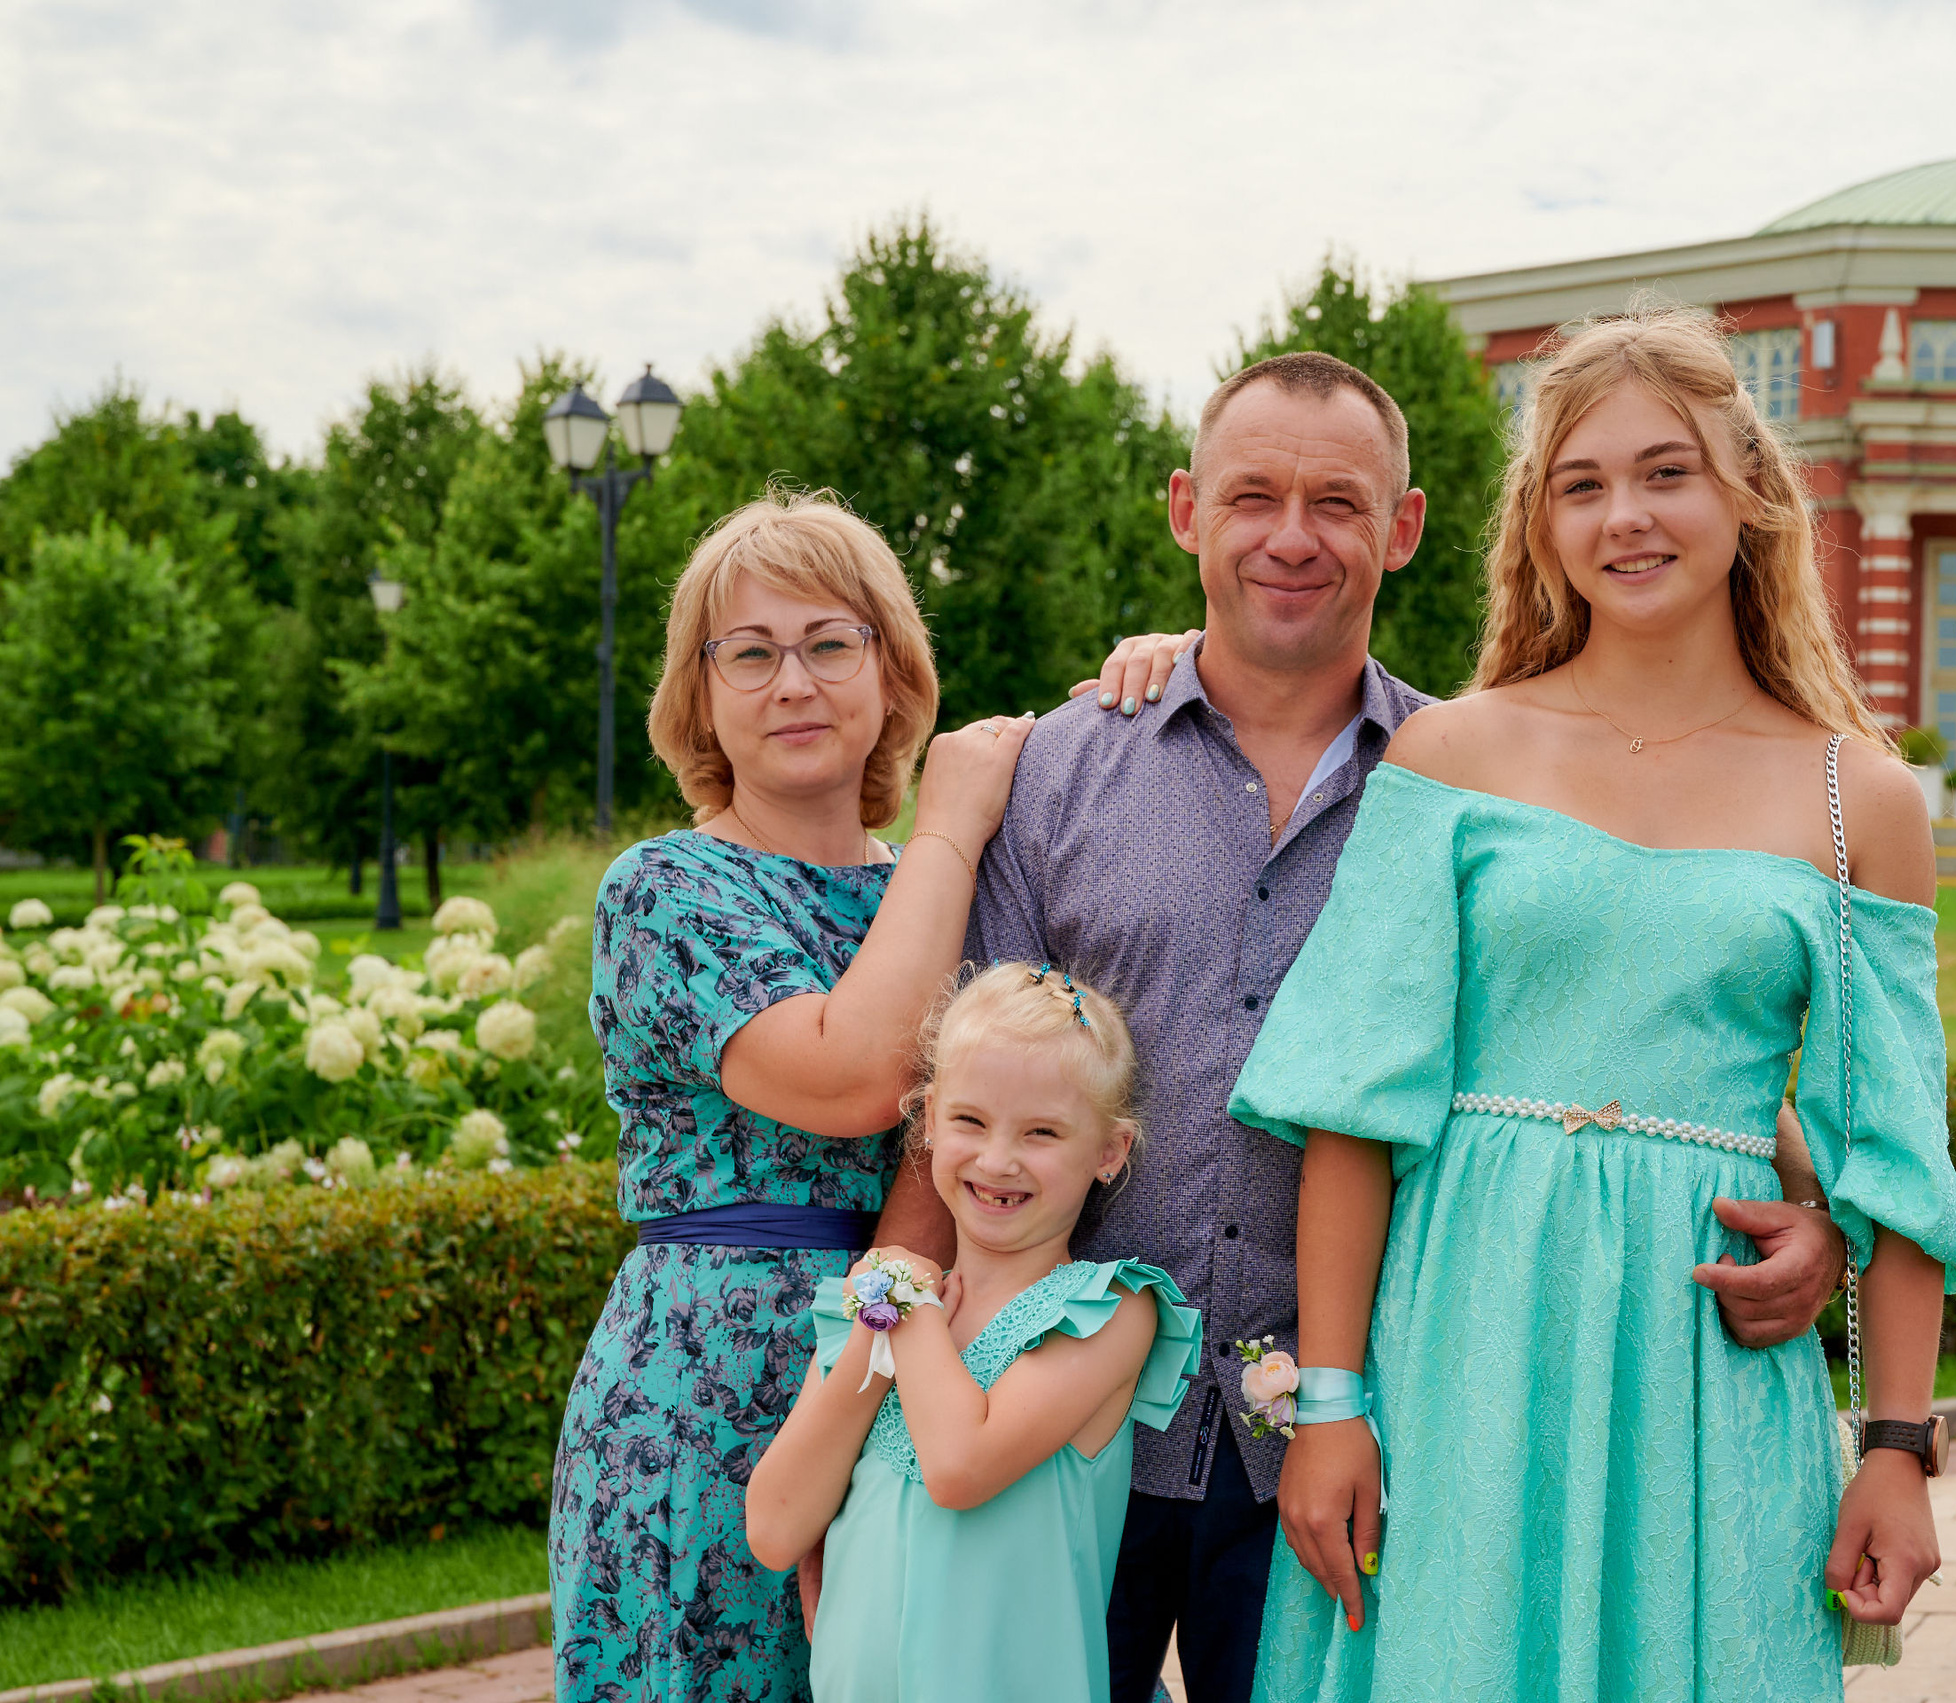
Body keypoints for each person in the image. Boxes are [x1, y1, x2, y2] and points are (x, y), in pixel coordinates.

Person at [965, 351, 1852, 1703]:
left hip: (1366, 1427)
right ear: (1186, 509)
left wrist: (1810, 1207)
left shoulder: (1486, 779)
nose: (1292, 536)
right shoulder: (1064, 767)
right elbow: (954, 1091)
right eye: (1252, 495)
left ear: (1406, 528)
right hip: (1059, 1420)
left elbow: (1635, 1016)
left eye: (1338, 500)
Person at [1230, 306, 1956, 1702]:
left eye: (1666, 472)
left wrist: (1897, 1442)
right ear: (1541, 525)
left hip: (1705, 1375)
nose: (1624, 516)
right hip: (1462, 1333)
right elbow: (1354, 1108)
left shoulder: (1856, 798)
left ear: (1748, 494)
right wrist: (1331, 1403)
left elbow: (1894, 1155)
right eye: (1582, 485)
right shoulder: (1456, 754)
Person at [548, 492, 1183, 1703]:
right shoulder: (666, 889)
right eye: (750, 651)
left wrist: (1156, 668)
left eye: (831, 643)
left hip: (959, 1352)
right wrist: (948, 823)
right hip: (720, 1382)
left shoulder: (942, 878)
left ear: (893, 674)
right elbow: (855, 1077)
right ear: (702, 694)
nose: (794, 680)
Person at [744, 964, 1201, 1702]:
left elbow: (958, 1465)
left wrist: (908, 1302)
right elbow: (774, 1525)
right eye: (969, 1120)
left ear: (1109, 1151)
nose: (997, 1159)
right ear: (927, 1118)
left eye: (1042, 1131)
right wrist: (874, 1332)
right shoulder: (868, 1311)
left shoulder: (1109, 1309)